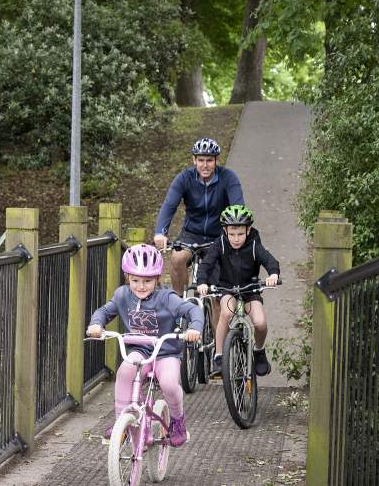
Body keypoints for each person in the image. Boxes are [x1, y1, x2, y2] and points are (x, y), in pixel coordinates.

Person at [86, 244, 203, 448]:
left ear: (157, 278)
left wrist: (195, 328)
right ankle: (121, 423)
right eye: (135, 280)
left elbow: (192, 310)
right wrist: (96, 324)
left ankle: (178, 421)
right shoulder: (122, 295)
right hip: (140, 350)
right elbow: (104, 312)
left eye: (147, 281)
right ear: (127, 277)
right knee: (125, 372)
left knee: (168, 383)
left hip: (166, 353)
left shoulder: (166, 297)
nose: (141, 286)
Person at [195, 204, 280, 377]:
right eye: (232, 234)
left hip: (250, 289)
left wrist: (273, 274)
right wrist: (202, 282)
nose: (236, 239)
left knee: (260, 322)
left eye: (240, 234)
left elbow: (269, 260)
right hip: (227, 288)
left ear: (248, 230)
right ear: (225, 231)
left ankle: (259, 350)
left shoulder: (254, 244)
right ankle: (219, 355)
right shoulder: (220, 244)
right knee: (226, 313)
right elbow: (206, 264)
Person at [152, 137, 245, 295]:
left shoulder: (228, 178)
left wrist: (236, 234)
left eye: (209, 160)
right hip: (191, 233)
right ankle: (179, 302)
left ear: (216, 161)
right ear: (194, 160)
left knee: (216, 293)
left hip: (218, 236)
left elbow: (238, 208)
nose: (205, 165)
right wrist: (160, 232)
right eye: (201, 160)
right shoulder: (184, 178)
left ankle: (212, 304)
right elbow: (169, 205)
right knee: (177, 258)